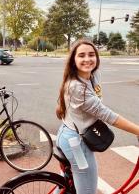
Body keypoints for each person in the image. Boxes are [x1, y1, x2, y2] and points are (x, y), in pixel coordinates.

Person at [55, 38, 139, 194]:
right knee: (87, 191)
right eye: (81, 55)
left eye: (91, 54)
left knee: (66, 186)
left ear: (97, 58)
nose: (87, 59)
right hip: (76, 144)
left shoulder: (92, 75)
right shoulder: (77, 87)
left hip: (69, 135)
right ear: (73, 60)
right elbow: (107, 115)